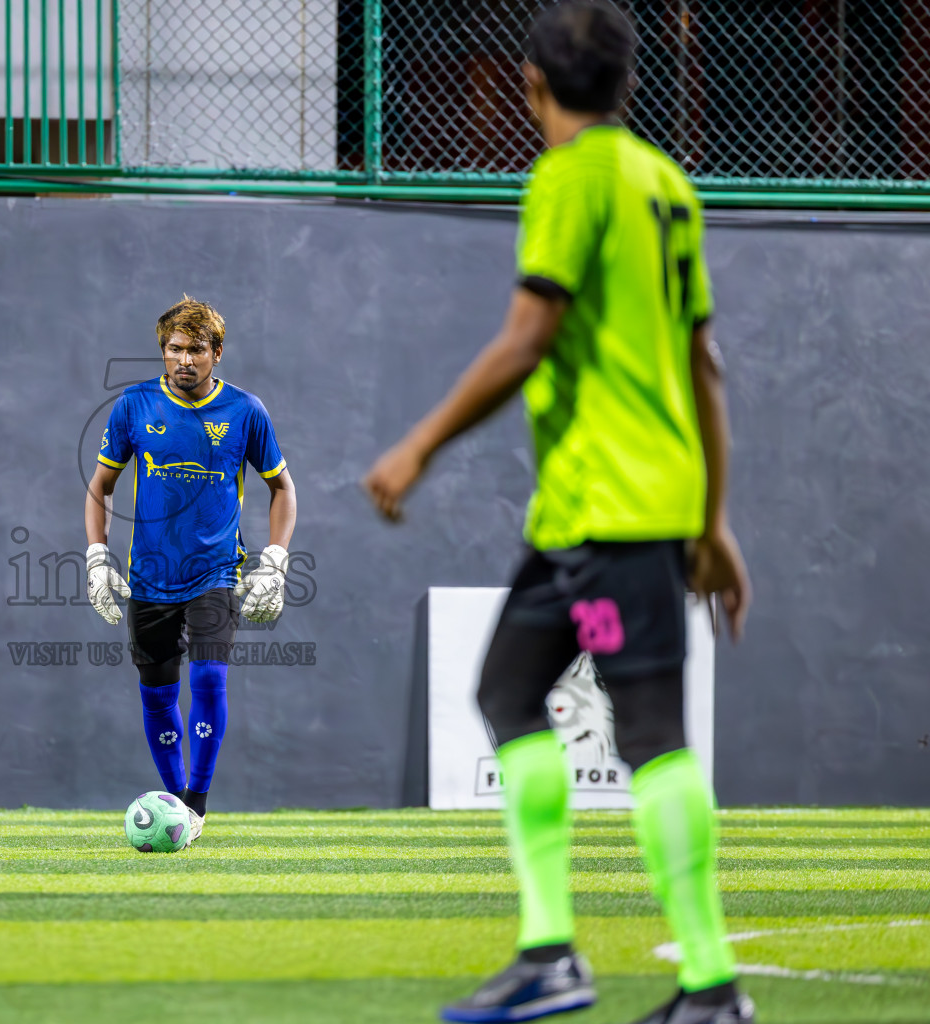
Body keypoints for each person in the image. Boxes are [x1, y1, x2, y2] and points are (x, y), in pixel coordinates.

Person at [362, 4, 753, 1023]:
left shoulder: (566, 180)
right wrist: (713, 521)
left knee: (654, 734)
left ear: (533, 83)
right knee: (506, 690)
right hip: (606, 508)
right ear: (628, 86)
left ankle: (710, 982)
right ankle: (549, 954)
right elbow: (704, 363)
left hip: (608, 512)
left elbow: (528, 334)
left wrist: (419, 443)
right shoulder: (666, 183)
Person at [84, 296, 297, 841]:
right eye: (174, 349)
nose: (184, 360)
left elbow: (282, 489)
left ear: (216, 353)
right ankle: (177, 798)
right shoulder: (134, 406)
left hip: (216, 572)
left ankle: (195, 805)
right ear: (163, 352)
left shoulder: (246, 411)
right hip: (150, 575)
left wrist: (274, 557)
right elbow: (101, 486)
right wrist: (97, 553)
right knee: (157, 693)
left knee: (207, 677)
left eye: (196, 350)